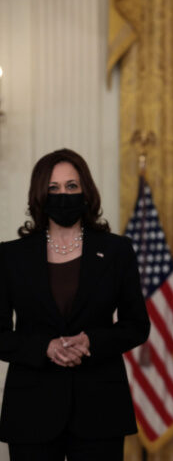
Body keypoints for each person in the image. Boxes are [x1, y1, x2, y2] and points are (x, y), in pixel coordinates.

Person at [0, 149, 150, 460]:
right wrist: (45, 347)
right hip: (31, 410)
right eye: (53, 188)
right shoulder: (10, 256)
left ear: (86, 191)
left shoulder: (117, 251)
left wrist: (91, 341)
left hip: (100, 408)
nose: (63, 194)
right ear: (40, 193)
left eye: (71, 186)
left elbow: (136, 326)